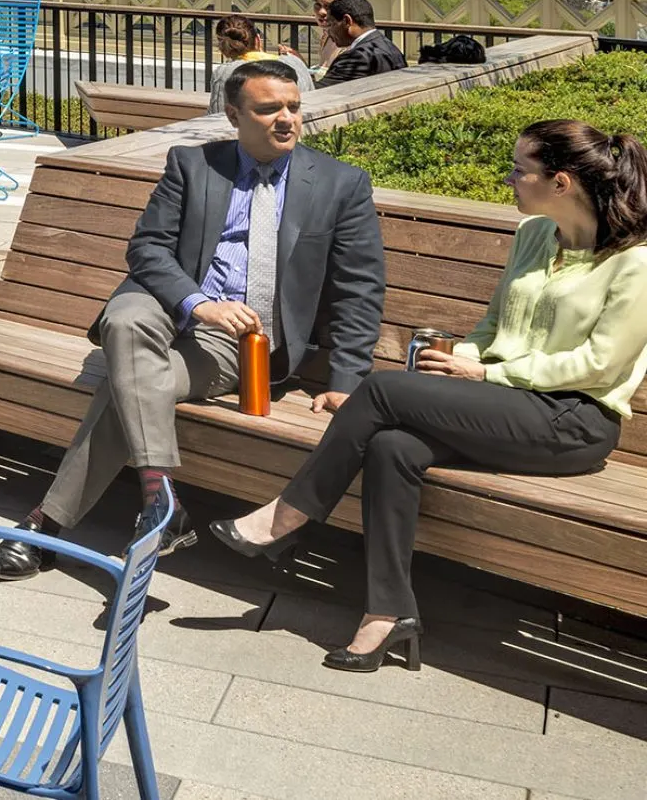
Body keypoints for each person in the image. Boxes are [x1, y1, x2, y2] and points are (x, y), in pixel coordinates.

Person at [212, 120, 647, 669]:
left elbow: (598, 365)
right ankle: (387, 615)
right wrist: (463, 360)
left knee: (384, 390)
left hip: (574, 420)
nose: (509, 179)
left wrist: (486, 377)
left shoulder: (635, 263)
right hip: (507, 405)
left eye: (520, 170)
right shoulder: (534, 235)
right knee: (394, 446)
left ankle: (286, 518)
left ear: (560, 183)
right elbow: (493, 327)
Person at [0, 59, 386, 580]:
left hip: (240, 344)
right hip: (173, 306)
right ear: (234, 116)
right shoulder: (194, 165)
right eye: (268, 109)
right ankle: (159, 495)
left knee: (129, 383)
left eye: (293, 107)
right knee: (125, 323)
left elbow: (359, 289)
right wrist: (198, 303)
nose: (286, 119)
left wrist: (346, 379)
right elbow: (148, 249)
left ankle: (48, 526)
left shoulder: (339, 184)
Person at [208, 14, 315, 112]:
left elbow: (217, 116)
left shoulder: (226, 73)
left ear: (224, 49)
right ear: (258, 40)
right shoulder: (295, 62)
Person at [316, 0, 407, 87]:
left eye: (331, 24)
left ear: (347, 21)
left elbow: (318, 92)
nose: (329, 32)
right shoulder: (391, 48)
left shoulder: (356, 58)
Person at [313, 0, 359, 70]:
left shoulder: (354, 44)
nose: (322, 12)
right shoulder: (326, 36)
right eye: (317, 4)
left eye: (329, 6)